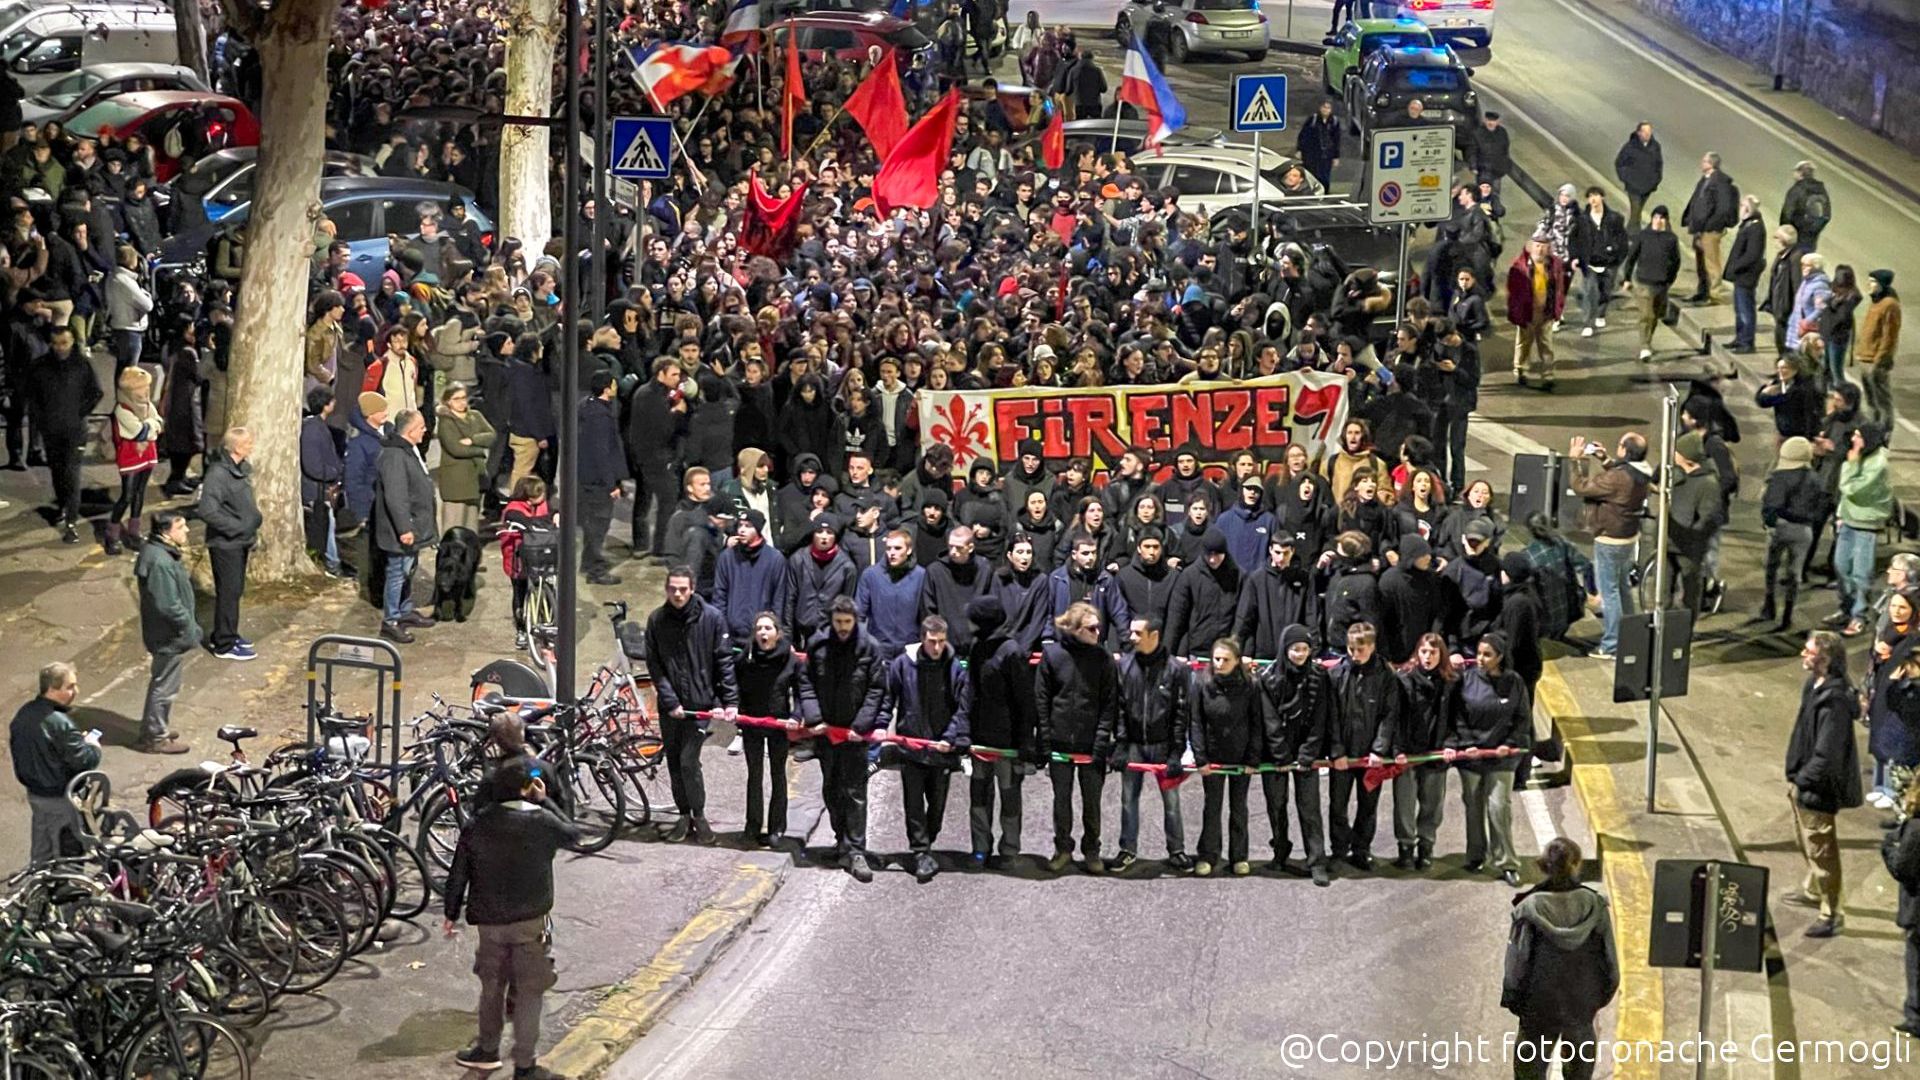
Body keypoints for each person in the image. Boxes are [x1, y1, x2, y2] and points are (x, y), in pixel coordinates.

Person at [444, 757, 581, 1079]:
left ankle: (487, 1050)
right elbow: (573, 834)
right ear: (525, 789)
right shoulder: (542, 822)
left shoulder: (477, 824)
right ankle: (524, 1065)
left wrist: (451, 913)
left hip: (489, 923)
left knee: (491, 987)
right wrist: (545, 798)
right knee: (529, 992)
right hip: (530, 920)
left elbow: (458, 872)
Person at [1501, 838, 1620, 1080]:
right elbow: (1611, 965)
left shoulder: (1529, 908)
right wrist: (1595, 1000)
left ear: (1544, 865)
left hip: (1538, 1008)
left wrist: (1514, 999)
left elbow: (1516, 966)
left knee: (1529, 1074)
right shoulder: (1594, 906)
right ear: (1576, 865)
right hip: (1580, 1007)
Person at [868, 615, 969, 883]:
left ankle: (928, 839)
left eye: (941, 642)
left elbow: (962, 707)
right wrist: (881, 726)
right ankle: (920, 850)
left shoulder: (954, 667)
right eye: (932, 642)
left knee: (936, 806)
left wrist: (950, 737)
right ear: (922, 639)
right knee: (913, 803)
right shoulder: (903, 665)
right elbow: (889, 697)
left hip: (941, 749)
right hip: (911, 746)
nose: (937, 648)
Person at [646, 566, 740, 845]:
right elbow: (656, 666)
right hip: (671, 708)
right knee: (674, 762)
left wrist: (729, 701)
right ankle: (684, 815)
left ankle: (699, 815)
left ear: (693, 589)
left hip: (699, 706)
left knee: (688, 761)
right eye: (673, 589)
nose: (677, 594)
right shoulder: (657, 620)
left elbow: (724, 661)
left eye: (683, 589)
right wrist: (670, 700)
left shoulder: (712, 619)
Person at [1785, 630, 1861, 938]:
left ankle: (1831, 912)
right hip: (1803, 781)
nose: (1803, 655)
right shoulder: (1813, 686)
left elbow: (1826, 755)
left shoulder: (1835, 702)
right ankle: (1814, 888)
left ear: (1825, 659)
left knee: (1822, 850)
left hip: (1817, 788)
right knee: (1809, 843)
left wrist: (1803, 780)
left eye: (1809, 651)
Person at [1036, 600, 1120, 874]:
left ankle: (1092, 850)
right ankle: (1063, 848)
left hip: (1091, 743)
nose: (1098, 633)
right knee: (1062, 800)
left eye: (1099, 627)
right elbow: (1042, 700)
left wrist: (1101, 743)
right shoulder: (1053, 656)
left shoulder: (1103, 658)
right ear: (1075, 630)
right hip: (1060, 741)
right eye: (1091, 628)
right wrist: (1045, 741)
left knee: (1092, 802)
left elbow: (1109, 704)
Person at [1448, 631, 1532, 887]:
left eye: (1488, 655)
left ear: (1500, 658)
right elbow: (1457, 716)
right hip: (1472, 756)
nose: (1481, 659)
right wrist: (1467, 744)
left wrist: (1509, 744)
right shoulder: (1466, 680)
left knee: (1499, 807)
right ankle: (1475, 855)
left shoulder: (1514, 682)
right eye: (1479, 653)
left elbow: (1522, 718)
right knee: (1473, 807)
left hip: (1501, 758)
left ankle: (1506, 861)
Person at [1112, 614, 1191, 874]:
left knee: (1171, 802)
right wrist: (1121, 744)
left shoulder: (1176, 670)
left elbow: (1181, 713)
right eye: (1131, 632)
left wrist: (1176, 752)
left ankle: (1177, 850)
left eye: (1137, 633)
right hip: (1133, 743)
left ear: (1154, 635)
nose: (1130, 638)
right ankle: (1127, 849)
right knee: (1127, 800)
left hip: (1163, 745)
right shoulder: (1124, 666)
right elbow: (1120, 708)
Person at [1258, 623, 1332, 885]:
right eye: (1295, 649)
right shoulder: (1267, 677)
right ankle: (1280, 851)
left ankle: (1317, 860)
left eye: (1304, 649)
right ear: (1284, 649)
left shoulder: (1318, 676)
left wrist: (1306, 754)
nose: (1300, 654)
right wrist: (1280, 755)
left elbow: (1320, 718)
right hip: (1275, 755)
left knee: (1310, 808)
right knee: (1276, 806)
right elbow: (1269, 719)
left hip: (1306, 756)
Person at [736, 612, 815, 848]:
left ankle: (776, 828)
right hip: (752, 724)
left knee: (778, 775)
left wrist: (797, 716)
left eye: (768, 628)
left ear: (777, 633)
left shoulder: (791, 660)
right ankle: (752, 826)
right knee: (755, 775)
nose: (763, 633)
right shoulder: (745, 658)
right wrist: (734, 711)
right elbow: (733, 685)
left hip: (778, 725)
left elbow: (802, 692)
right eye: (759, 628)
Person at [1327, 621, 1400, 872]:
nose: (1354, 655)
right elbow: (1332, 716)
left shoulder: (1386, 675)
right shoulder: (1336, 675)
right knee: (1337, 804)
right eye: (1350, 649)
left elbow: (1388, 715)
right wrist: (1336, 751)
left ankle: (1361, 849)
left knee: (1368, 805)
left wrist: (1380, 749)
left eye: (1360, 649)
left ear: (1372, 646)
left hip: (1372, 756)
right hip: (1343, 756)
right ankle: (1338, 848)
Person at [10, 661, 100, 863]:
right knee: (70, 857)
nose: (75, 691)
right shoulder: (61, 724)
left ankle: (38, 890)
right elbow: (84, 761)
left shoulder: (24, 713)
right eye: (69, 687)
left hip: (36, 794)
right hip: (61, 797)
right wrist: (92, 746)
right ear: (52, 688)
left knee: (42, 852)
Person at [1188, 636, 1262, 877]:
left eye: (1225, 660)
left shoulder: (1250, 685)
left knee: (1239, 807)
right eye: (1216, 659)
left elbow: (1256, 722)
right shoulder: (1201, 683)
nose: (1219, 663)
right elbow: (1196, 722)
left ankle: (1239, 856)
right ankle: (1208, 855)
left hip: (1241, 757)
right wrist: (1201, 758)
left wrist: (1252, 758)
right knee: (1212, 807)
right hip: (1212, 757)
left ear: (1237, 661)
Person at [26, 323, 101, 544]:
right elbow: (33, 397)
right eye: (56, 343)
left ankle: (71, 522)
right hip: (51, 431)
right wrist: (42, 421)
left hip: (75, 431)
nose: (60, 348)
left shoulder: (82, 365)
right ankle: (60, 506)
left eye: (64, 343)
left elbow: (96, 392)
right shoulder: (40, 367)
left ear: (72, 342)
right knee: (57, 472)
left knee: (72, 475)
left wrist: (79, 413)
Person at [134, 511, 197, 755]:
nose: (187, 531)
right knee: (164, 686)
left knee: (164, 682)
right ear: (166, 531)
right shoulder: (160, 562)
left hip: (164, 632)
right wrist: (188, 625)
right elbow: (167, 605)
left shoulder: (157, 553)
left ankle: (155, 728)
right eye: (181, 527)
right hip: (168, 634)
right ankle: (154, 736)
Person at [373, 409, 438, 644]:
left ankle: (405, 609)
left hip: (414, 526)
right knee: (397, 572)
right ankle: (391, 620)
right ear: (410, 431)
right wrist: (404, 528)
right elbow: (395, 495)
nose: (425, 430)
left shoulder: (407, 450)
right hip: (400, 529)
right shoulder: (394, 456)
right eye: (421, 427)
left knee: (408, 570)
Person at [1392, 633, 1454, 871]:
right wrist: (1397, 749)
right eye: (1424, 652)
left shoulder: (1450, 682)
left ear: (1442, 655)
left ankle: (1426, 847)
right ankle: (1406, 848)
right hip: (1408, 755)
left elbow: (1455, 719)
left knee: (1432, 804)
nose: (1428, 657)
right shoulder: (1404, 679)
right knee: (1404, 805)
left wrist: (1450, 744)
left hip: (1435, 754)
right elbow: (1394, 717)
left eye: (1433, 652)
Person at [199, 427, 262, 661]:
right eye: (247, 443)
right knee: (228, 592)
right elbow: (207, 510)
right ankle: (224, 644)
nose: (251, 445)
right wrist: (237, 527)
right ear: (235, 447)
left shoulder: (240, 470)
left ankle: (228, 634)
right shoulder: (217, 475)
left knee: (234, 591)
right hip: (226, 544)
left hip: (240, 542)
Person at [1758, 437, 1830, 632]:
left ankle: (1769, 604)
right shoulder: (1816, 478)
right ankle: (1787, 615)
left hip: (1782, 526)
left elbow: (1770, 505)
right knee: (1794, 573)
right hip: (1804, 530)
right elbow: (1821, 504)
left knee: (1771, 566)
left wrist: (1770, 524)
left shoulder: (1780, 476)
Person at [1834, 424, 1893, 637]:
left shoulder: (1878, 464)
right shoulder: (1863, 455)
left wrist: (1850, 462)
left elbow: (1851, 488)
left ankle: (1859, 616)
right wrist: (1841, 514)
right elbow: (1846, 497)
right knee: (1840, 566)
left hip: (1866, 524)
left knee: (1861, 572)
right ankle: (1846, 608)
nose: (1854, 440)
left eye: (1858, 436)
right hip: (1849, 519)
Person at [576, 370, 628, 586]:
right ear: (607, 389)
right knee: (598, 525)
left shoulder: (587, 406)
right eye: (614, 384)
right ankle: (595, 570)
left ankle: (588, 562)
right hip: (597, 481)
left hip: (587, 477)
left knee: (593, 524)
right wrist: (611, 484)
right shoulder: (600, 416)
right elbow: (602, 453)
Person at [1881, 780, 1920, 1037]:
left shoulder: (1916, 829)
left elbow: (1902, 868)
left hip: (1918, 913)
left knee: (1916, 963)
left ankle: (1915, 1018)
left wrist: (1888, 847)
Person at [1619, 205, 1682, 362]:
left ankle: (1648, 341)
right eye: (1655, 217)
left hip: (1661, 284)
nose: (1658, 221)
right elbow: (1631, 258)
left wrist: (1670, 279)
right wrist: (1627, 278)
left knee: (1655, 316)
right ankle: (1645, 346)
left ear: (1666, 221)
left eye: (1661, 218)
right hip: (1644, 283)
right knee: (1647, 315)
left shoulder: (1671, 239)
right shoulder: (1643, 236)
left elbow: (1676, 261)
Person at [1505, 235, 1565, 390]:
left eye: (1544, 246)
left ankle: (1548, 375)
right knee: (1523, 344)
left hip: (1545, 312)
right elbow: (1512, 293)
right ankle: (1521, 371)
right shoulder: (1519, 266)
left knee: (1546, 345)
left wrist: (1557, 309)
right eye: (1537, 245)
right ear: (1531, 247)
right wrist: (1515, 313)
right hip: (1527, 313)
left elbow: (1559, 289)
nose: (1540, 249)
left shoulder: (1554, 265)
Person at [1567, 187, 1626, 339]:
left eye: (1596, 196)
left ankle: (1601, 313)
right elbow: (1573, 240)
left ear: (1602, 198)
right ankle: (1588, 323)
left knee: (1606, 291)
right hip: (1590, 263)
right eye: (1590, 197)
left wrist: (1618, 256)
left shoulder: (1615, 219)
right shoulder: (1582, 220)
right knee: (1590, 292)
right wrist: (1575, 258)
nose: (1593, 199)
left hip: (1609, 263)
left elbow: (1623, 240)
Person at [436, 382, 495, 534]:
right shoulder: (446, 421)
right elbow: (456, 449)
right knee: (454, 526)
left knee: (471, 527)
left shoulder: (475, 415)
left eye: (464, 398)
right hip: (456, 480)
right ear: (448, 401)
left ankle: (470, 555)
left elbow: (492, 435)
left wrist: (473, 440)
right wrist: (480, 451)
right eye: (457, 399)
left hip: (474, 478)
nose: (462, 402)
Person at [1680, 150, 1737, 304]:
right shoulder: (1705, 180)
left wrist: (1710, 226)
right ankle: (1702, 291)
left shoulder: (1720, 183)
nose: (1701, 163)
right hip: (1699, 229)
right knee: (1701, 262)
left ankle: (1715, 295)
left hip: (1710, 230)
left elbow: (1722, 209)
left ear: (1711, 164)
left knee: (1711, 263)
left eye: (1704, 161)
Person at [1723, 194, 1768, 354]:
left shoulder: (1755, 228)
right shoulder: (1748, 224)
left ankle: (1747, 342)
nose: (1740, 208)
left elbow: (1752, 255)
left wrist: (1735, 266)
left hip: (1746, 275)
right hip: (1740, 275)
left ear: (1748, 209)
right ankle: (1740, 337)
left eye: (1742, 206)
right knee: (1739, 308)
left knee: (1745, 309)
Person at [1857, 270, 1901, 428]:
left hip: (1875, 361)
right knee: (1870, 400)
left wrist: (1879, 361)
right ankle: (1872, 430)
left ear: (1882, 284)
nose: (1869, 284)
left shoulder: (1890, 305)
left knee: (1882, 401)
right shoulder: (1876, 301)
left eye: (1873, 282)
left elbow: (1889, 337)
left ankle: (1885, 432)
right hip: (1865, 358)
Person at [1612, 121, 1663, 233]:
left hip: (1647, 186)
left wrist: (1656, 180)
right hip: (1633, 187)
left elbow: (1659, 165)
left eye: (1649, 131)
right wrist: (1627, 178)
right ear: (1639, 132)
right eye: (1645, 131)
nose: (1647, 134)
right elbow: (1619, 163)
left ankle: (1630, 232)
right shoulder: (1630, 147)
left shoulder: (1655, 147)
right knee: (1635, 210)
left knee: (1638, 211)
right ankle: (1634, 234)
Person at [1779, 160, 1832, 251]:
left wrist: (1785, 231)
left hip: (1794, 239)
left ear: (1800, 173)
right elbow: (1826, 215)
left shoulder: (1797, 190)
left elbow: (1787, 213)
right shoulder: (1821, 191)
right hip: (1810, 240)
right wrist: (1814, 231)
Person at [1297, 99, 1342, 191]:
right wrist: (1300, 149)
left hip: (1326, 155)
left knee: (1325, 176)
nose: (1326, 110)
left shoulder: (1334, 121)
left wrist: (1336, 156)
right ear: (1320, 108)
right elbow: (1303, 135)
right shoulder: (1313, 120)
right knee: (1311, 175)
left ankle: (1324, 193)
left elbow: (1336, 140)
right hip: (1311, 154)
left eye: (1328, 108)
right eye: (1324, 107)